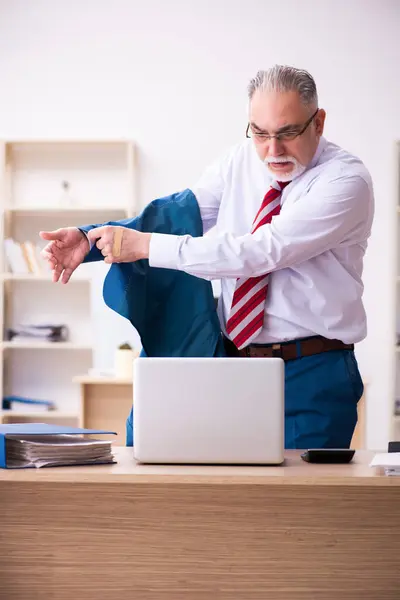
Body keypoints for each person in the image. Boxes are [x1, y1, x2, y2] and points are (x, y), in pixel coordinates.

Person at [40, 65, 374, 449]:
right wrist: (91, 238)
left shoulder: (345, 182)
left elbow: (262, 251)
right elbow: (182, 213)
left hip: (311, 372)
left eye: (287, 133)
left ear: (319, 122)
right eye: (260, 133)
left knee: (295, 506)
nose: (273, 150)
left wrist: (145, 245)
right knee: (211, 496)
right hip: (230, 365)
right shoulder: (241, 162)